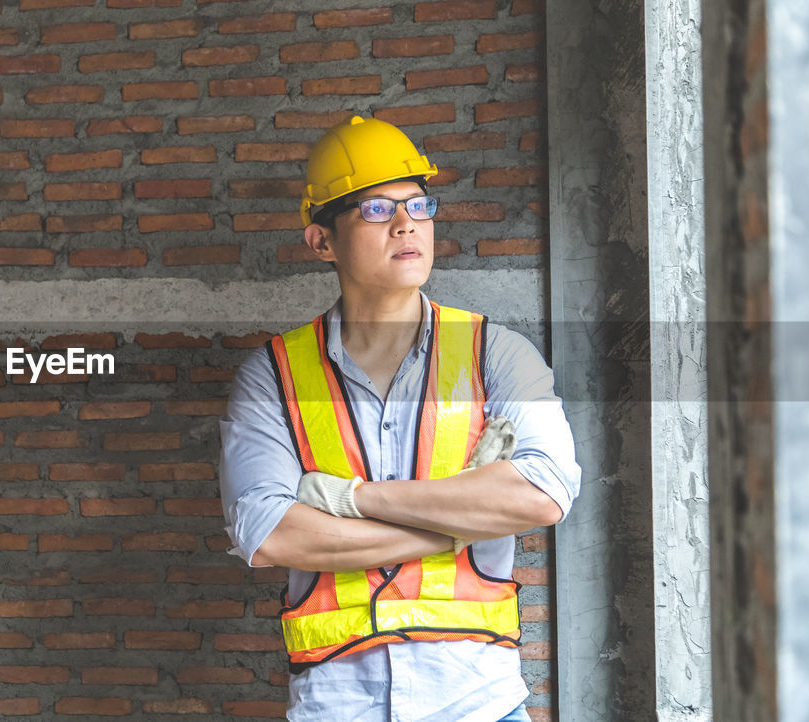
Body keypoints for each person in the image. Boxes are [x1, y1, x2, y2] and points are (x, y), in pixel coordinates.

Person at [218, 115, 581, 721]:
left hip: (479, 703)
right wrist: (453, 528)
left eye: (419, 204)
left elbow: (543, 494)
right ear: (321, 241)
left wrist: (353, 499)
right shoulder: (273, 375)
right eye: (377, 210)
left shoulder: (496, 354)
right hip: (337, 704)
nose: (408, 223)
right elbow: (269, 533)